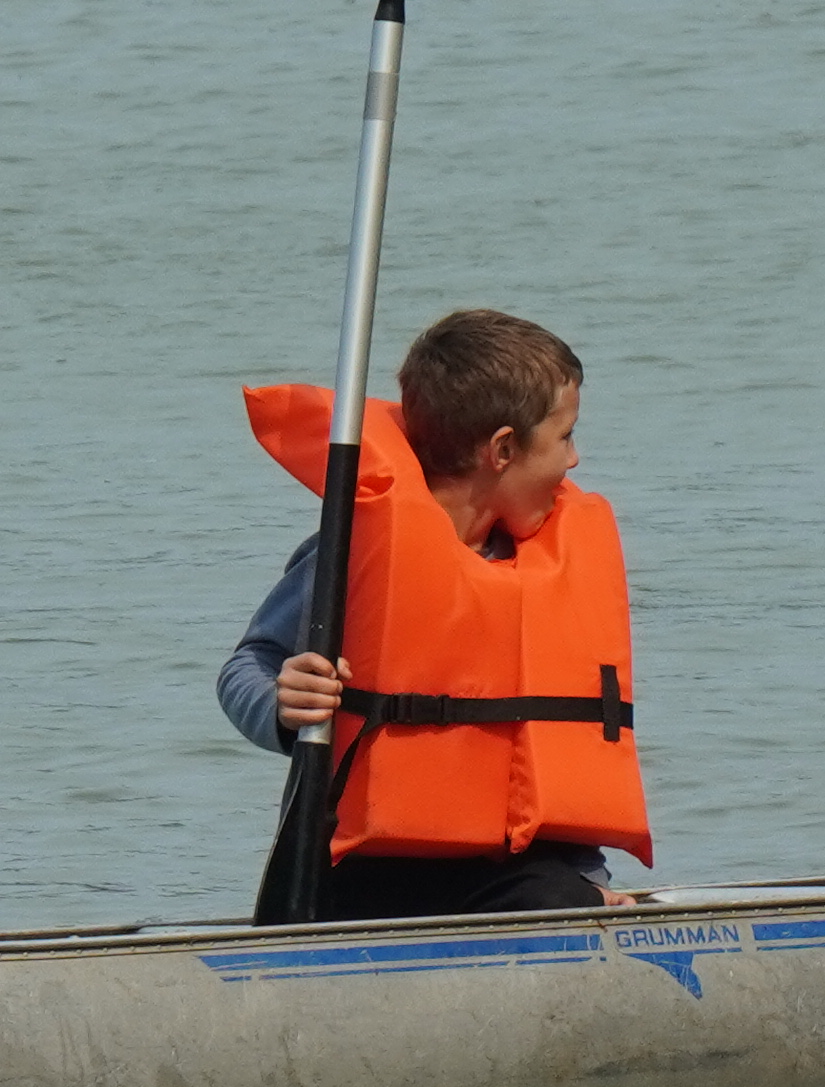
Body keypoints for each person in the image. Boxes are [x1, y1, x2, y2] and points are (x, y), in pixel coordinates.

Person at [223, 305, 655, 920]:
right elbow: (249, 665)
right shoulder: (353, 553)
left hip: (519, 875)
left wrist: (589, 884)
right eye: (565, 436)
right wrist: (280, 703)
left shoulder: (545, 563)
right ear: (502, 449)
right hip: (363, 875)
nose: (575, 461)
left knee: (554, 895)